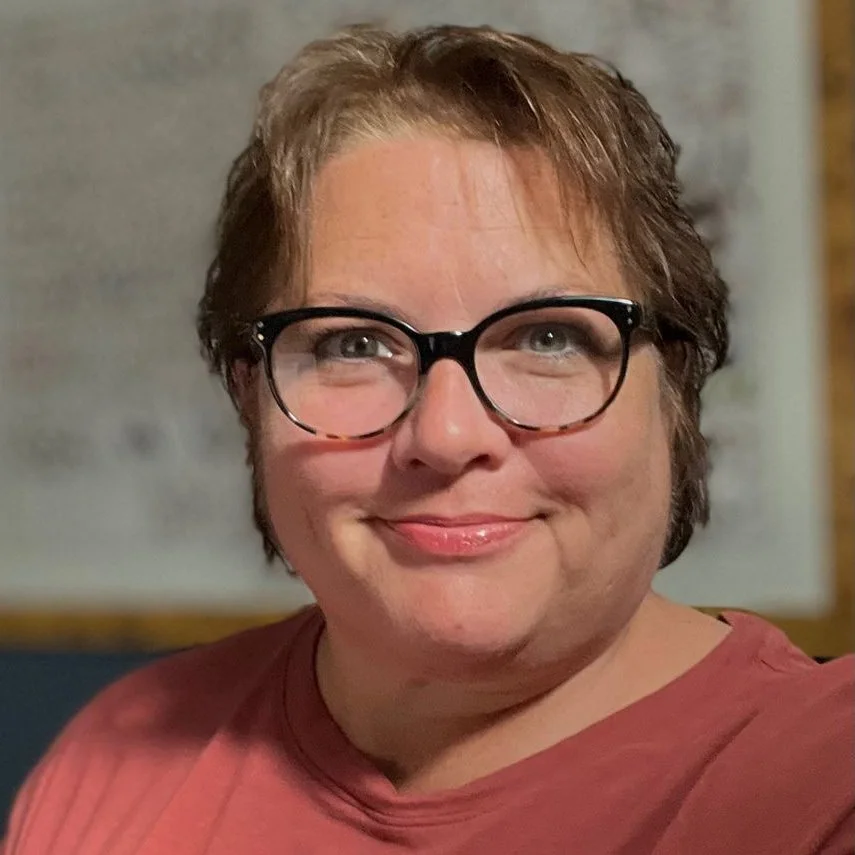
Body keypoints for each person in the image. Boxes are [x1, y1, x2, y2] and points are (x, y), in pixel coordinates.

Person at [4, 23, 853, 855]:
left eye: (546, 337)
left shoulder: (821, 780)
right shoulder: (117, 756)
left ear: (674, 389)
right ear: (249, 396)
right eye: (351, 343)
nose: (445, 436)